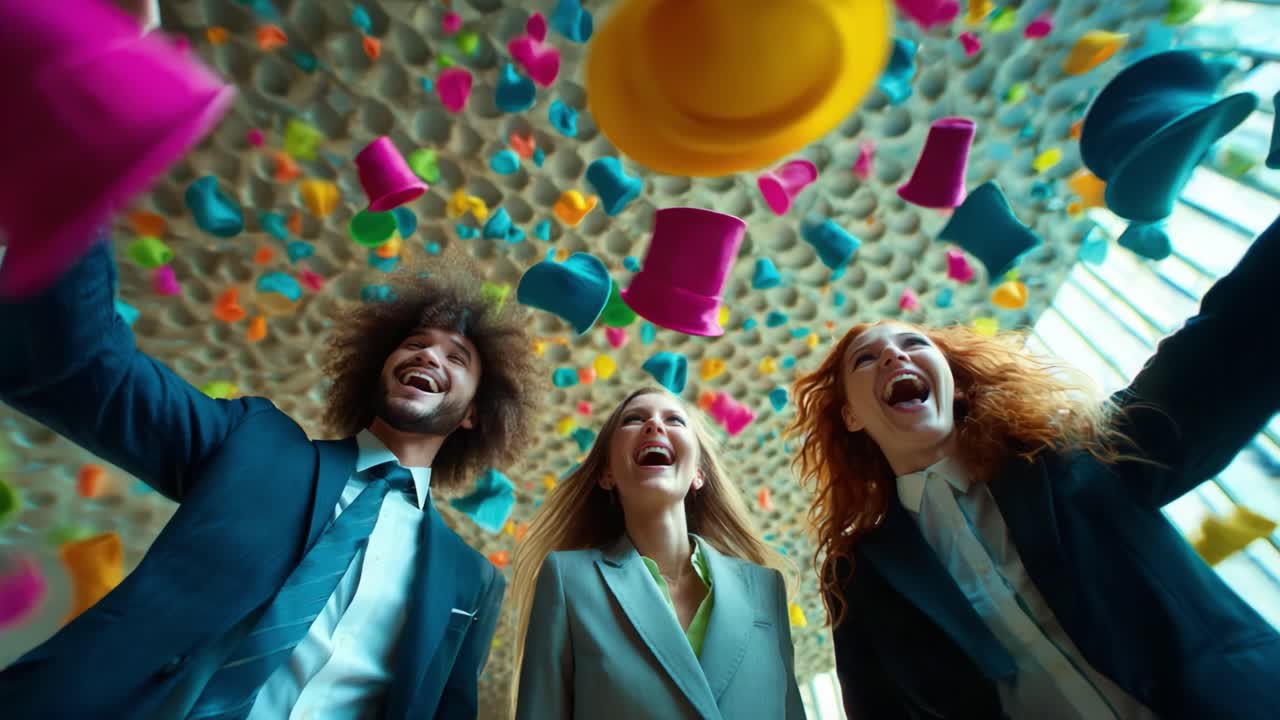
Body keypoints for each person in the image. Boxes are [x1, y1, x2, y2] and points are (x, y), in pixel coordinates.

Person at [1, 244, 542, 717]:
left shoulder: (472, 582)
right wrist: (75, 207)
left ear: (474, 413)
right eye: (415, 343)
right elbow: (95, 368)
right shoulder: (253, 442)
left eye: (456, 357)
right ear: (378, 368)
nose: (428, 354)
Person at [788, 213, 1280, 719]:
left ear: (955, 384)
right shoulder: (861, 574)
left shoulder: (1075, 454)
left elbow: (1223, 346)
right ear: (850, 416)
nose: (895, 356)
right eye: (866, 359)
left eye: (914, 344)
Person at [512, 387, 806, 719]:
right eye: (634, 419)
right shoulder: (568, 580)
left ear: (698, 474)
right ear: (607, 474)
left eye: (674, 420)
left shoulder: (766, 588)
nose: (654, 425)